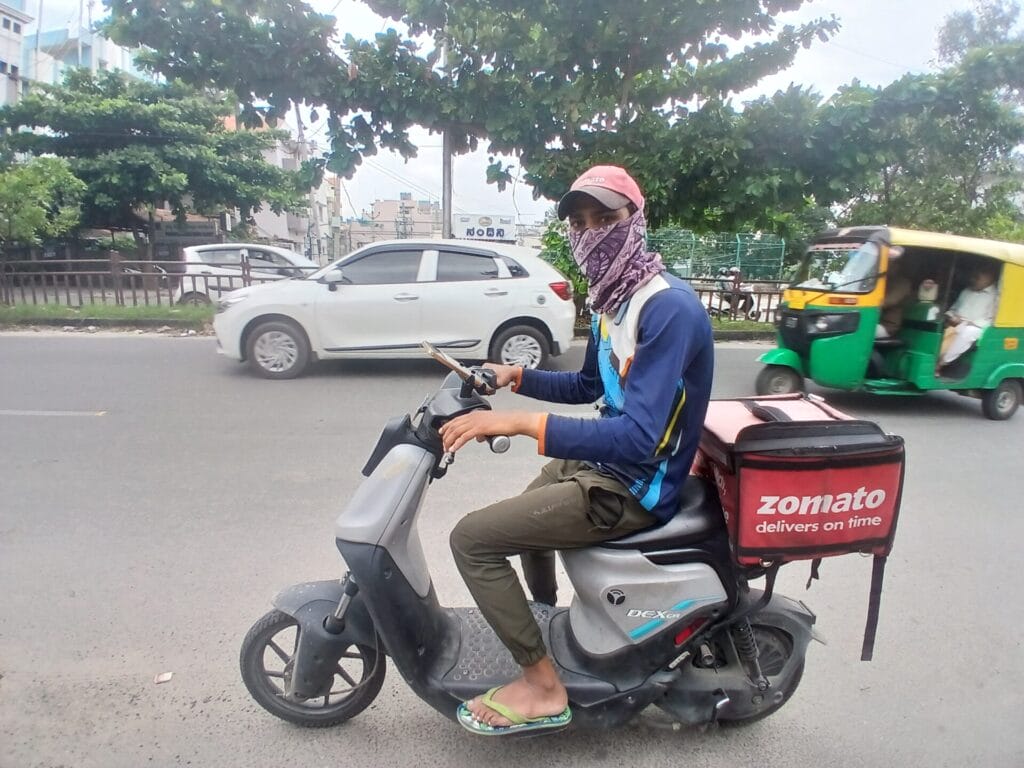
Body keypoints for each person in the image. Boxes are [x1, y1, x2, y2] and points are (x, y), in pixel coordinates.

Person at [438, 165, 715, 736]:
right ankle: (545, 624)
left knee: (472, 539)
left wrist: (518, 423)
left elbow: (640, 436)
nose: (593, 232)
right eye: (580, 221)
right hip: (607, 462)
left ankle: (543, 686)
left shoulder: (667, 308)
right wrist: (516, 374)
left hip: (635, 484)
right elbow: (592, 386)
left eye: (607, 218)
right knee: (519, 531)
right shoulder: (612, 295)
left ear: (636, 221)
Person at [936, 262, 999, 374]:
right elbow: (953, 309)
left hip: (978, 328)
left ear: (992, 276)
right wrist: (951, 316)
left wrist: (968, 323)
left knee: (968, 331)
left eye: (982, 273)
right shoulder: (966, 291)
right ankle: (932, 358)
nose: (976, 276)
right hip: (955, 324)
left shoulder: (996, 295)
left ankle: (941, 363)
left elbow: (991, 320)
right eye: (976, 273)